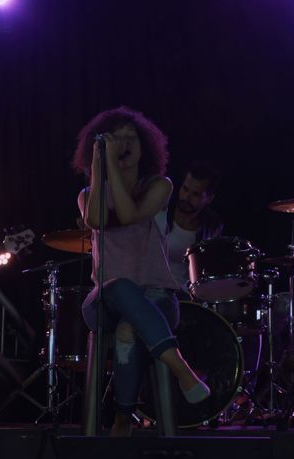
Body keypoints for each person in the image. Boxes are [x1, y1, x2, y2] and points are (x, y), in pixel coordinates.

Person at [74, 106, 211, 437]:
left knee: (128, 329)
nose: (122, 143)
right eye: (114, 137)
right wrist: (100, 164)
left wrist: (112, 168)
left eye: (129, 137)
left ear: (144, 145)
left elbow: (130, 212)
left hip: (157, 296)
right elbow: (96, 220)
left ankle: (123, 418)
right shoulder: (87, 195)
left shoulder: (161, 187)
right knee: (120, 288)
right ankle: (182, 371)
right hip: (105, 299)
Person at [165, 161, 224, 295]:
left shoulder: (211, 226)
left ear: (209, 199)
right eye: (185, 189)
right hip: (151, 289)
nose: (186, 197)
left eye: (195, 194)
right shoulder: (162, 209)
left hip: (185, 296)